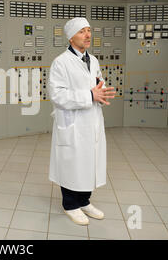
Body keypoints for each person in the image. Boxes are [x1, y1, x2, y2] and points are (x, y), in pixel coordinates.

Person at [48, 17, 116, 225]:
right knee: (71, 163)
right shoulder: (60, 62)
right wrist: (89, 96)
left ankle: (84, 201)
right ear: (71, 38)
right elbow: (57, 95)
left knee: (89, 161)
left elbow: (97, 84)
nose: (87, 35)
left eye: (88, 30)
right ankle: (70, 204)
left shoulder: (93, 60)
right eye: (82, 31)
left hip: (92, 120)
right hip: (73, 123)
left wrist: (101, 94)